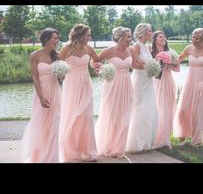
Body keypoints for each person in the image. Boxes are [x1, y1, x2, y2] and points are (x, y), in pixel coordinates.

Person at [20, 28, 61, 163]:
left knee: (54, 126)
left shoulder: (58, 55)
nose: (57, 41)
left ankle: (52, 159)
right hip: (41, 93)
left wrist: (62, 75)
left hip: (55, 93)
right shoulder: (35, 55)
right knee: (41, 125)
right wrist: (41, 97)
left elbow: (61, 79)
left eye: (57, 38)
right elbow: (35, 78)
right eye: (54, 38)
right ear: (46, 39)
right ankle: (39, 158)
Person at [58, 23, 98, 162]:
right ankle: (71, 150)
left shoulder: (89, 48)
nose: (90, 37)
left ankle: (86, 151)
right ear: (80, 36)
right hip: (71, 85)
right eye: (88, 35)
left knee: (86, 117)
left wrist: (98, 67)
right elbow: (58, 64)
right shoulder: (66, 49)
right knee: (72, 116)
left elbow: (96, 61)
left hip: (86, 84)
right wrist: (60, 73)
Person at [173, 28, 203, 147]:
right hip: (190, 81)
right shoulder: (188, 48)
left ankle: (197, 141)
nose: (194, 40)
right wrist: (169, 61)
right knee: (183, 109)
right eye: (193, 37)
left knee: (198, 112)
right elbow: (179, 58)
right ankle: (183, 134)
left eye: (197, 38)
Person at [94, 27, 133, 158]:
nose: (130, 39)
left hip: (127, 84)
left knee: (125, 114)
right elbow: (94, 61)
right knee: (112, 114)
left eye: (131, 36)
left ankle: (120, 148)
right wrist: (100, 69)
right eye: (128, 36)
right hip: (112, 85)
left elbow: (136, 64)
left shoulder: (131, 50)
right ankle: (108, 145)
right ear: (120, 38)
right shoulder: (109, 51)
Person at [125, 23, 158, 153]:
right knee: (139, 108)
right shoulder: (136, 46)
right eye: (150, 31)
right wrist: (146, 68)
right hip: (139, 81)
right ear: (142, 33)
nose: (151, 33)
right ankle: (135, 142)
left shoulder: (147, 47)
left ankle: (145, 141)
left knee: (149, 108)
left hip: (148, 81)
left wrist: (153, 68)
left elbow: (148, 62)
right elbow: (132, 64)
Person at [151, 31, 180, 150]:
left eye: (164, 36)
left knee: (167, 110)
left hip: (168, 83)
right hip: (155, 83)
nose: (163, 38)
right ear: (155, 39)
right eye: (160, 36)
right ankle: (154, 138)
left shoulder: (171, 52)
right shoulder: (150, 52)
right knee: (156, 110)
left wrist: (170, 65)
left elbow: (178, 69)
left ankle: (165, 140)